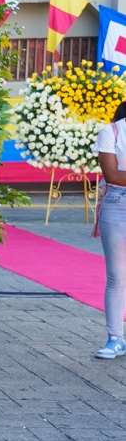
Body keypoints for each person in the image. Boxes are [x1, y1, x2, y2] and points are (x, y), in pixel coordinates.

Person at [95, 102, 126, 358]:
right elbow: (112, 174)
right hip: (117, 203)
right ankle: (115, 338)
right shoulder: (112, 131)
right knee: (116, 277)